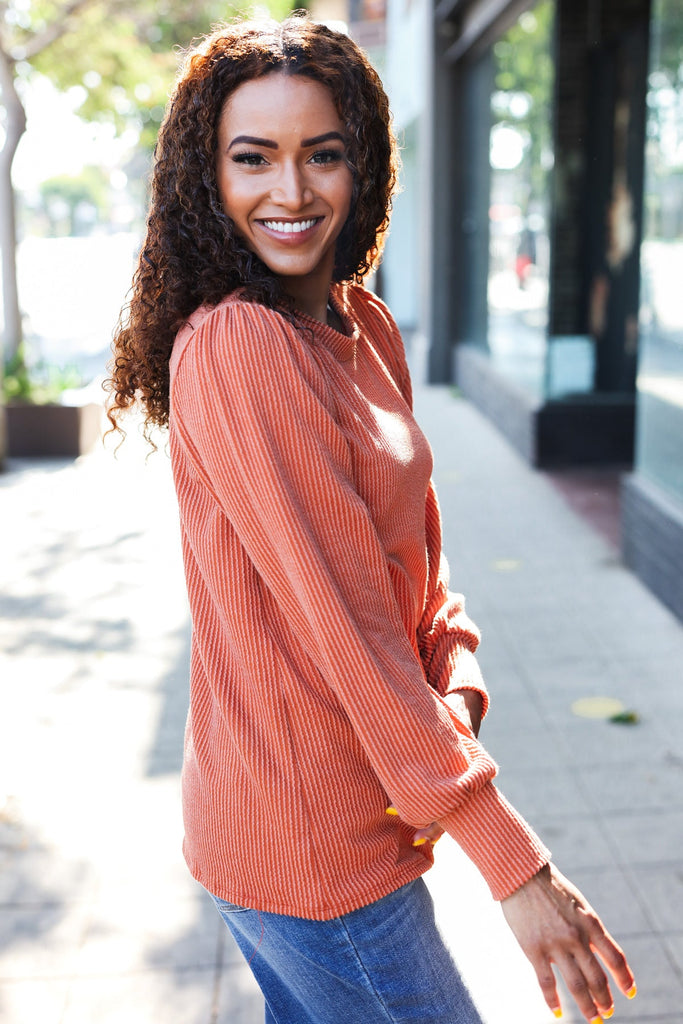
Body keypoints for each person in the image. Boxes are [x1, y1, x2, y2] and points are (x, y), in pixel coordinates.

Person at [107, 15, 636, 1024]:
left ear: (364, 162)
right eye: (252, 158)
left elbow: (413, 561)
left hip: (355, 816)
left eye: (322, 155)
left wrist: (457, 679)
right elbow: (342, 623)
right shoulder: (235, 348)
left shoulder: (361, 321)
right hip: (311, 848)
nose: (291, 191)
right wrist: (513, 868)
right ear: (205, 178)